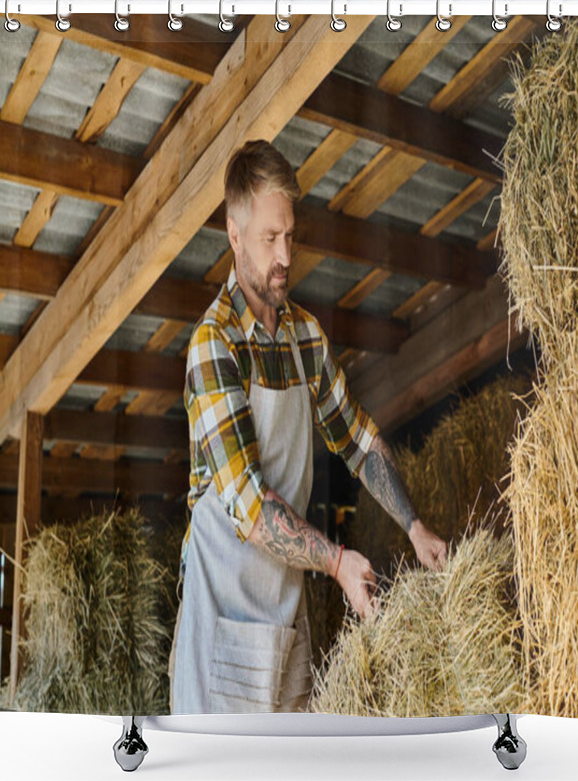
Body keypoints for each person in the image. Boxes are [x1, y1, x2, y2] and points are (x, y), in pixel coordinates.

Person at [169, 139, 447, 714]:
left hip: (284, 619)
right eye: (270, 239)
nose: (285, 256)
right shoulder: (214, 344)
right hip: (222, 625)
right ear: (234, 234)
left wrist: (414, 526)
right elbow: (248, 507)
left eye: (290, 236)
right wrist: (337, 562)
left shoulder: (305, 339)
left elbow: (359, 441)